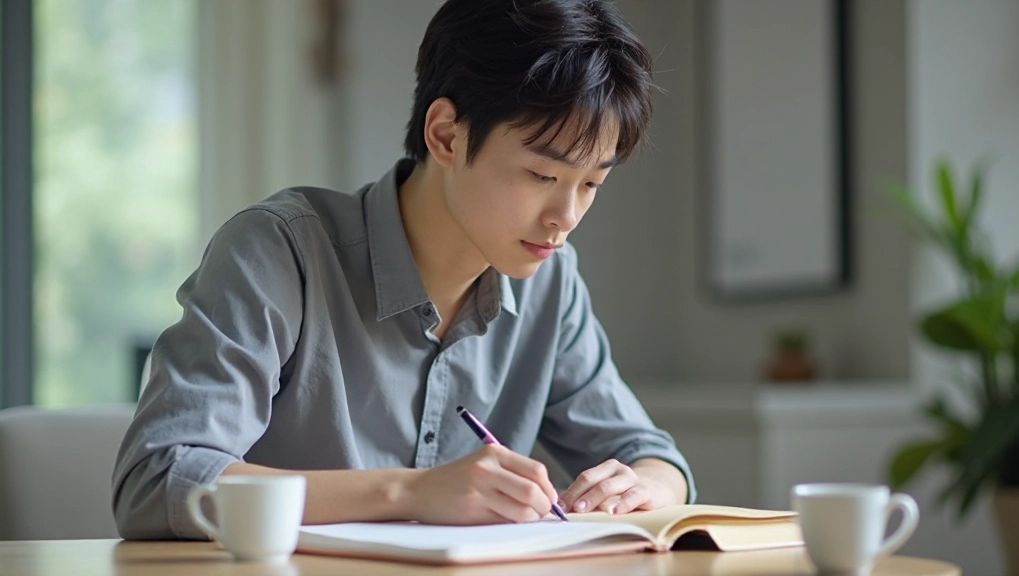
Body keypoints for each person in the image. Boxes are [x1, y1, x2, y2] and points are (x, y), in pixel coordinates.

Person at [113, 0, 695, 540]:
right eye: (542, 176)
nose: (564, 218)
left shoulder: (552, 281)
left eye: (591, 183)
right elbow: (159, 478)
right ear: (445, 134)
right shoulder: (281, 251)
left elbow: (654, 455)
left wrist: (642, 486)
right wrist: (410, 492)